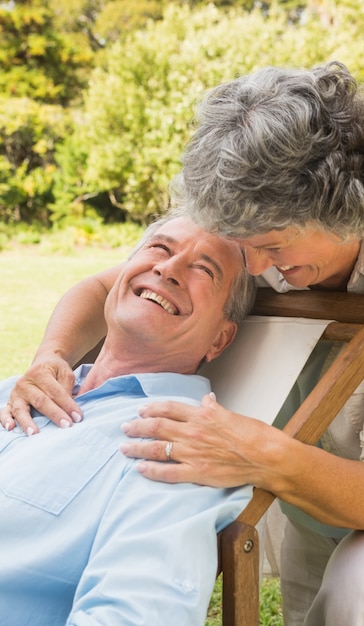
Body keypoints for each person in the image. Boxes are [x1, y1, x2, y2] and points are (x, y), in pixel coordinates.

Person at [2, 60, 364, 625]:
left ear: (346, 214)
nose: (252, 264)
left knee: (362, 595)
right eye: (240, 245)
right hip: (313, 475)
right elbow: (109, 285)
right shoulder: (251, 208)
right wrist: (51, 356)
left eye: (272, 249)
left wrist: (261, 453)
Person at [0, 215, 256, 626]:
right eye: (160, 248)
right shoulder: (19, 389)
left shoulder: (182, 443)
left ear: (220, 339)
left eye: (204, 269)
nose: (168, 269)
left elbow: (133, 615)